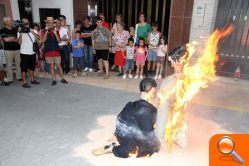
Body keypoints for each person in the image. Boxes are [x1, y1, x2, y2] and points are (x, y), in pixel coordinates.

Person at [92, 78, 161, 158]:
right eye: (154, 89)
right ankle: (113, 148)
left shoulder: (130, 105)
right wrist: (156, 143)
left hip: (122, 136)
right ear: (150, 88)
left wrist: (116, 134)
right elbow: (148, 133)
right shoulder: (149, 110)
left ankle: (116, 141)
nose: (155, 91)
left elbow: (120, 119)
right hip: (130, 141)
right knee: (151, 148)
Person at [155, 46, 188, 147]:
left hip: (174, 102)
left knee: (162, 106)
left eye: (171, 60)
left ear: (178, 61)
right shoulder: (178, 75)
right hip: (177, 102)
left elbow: (165, 94)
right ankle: (178, 133)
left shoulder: (181, 75)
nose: (171, 62)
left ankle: (158, 138)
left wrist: (158, 98)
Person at [40, 17, 68, 86]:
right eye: (49, 22)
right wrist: (46, 31)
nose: (51, 23)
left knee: (59, 65)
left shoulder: (56, 31)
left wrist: (55, 33)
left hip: (56, 51)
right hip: (48, 51)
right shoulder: (43, 31)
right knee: (52, 66)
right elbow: (43, 40)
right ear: (47, 23)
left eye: (52, 22)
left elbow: (59, 41)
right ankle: (54, 80)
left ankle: (62, 78)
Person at [17, 18, 40, 88]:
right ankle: (24, 82)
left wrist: (32, 31)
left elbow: (38, 38)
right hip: (24, 53)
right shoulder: (20, 31)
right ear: (22, 24)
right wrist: (20, 33)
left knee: (32, 67)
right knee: (24, 68)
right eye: (25, 23)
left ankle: (32, 79)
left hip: (32, 52)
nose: (26, 25)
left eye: (27, 23)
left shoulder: (33, 30)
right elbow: (19, 42)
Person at [0, 16, 22, 84]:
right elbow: (5, 40)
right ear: (5, 22)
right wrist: (13, 38)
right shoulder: (2, 30)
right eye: (10, 20)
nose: (12, 22)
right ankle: (10, 79)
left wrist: (11, 38)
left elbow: (18, 39)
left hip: (17, 49)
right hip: (8, 50)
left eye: (12, 20)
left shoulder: (15, 29)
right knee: (9, 65)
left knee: (18, 64)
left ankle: (19, 77)